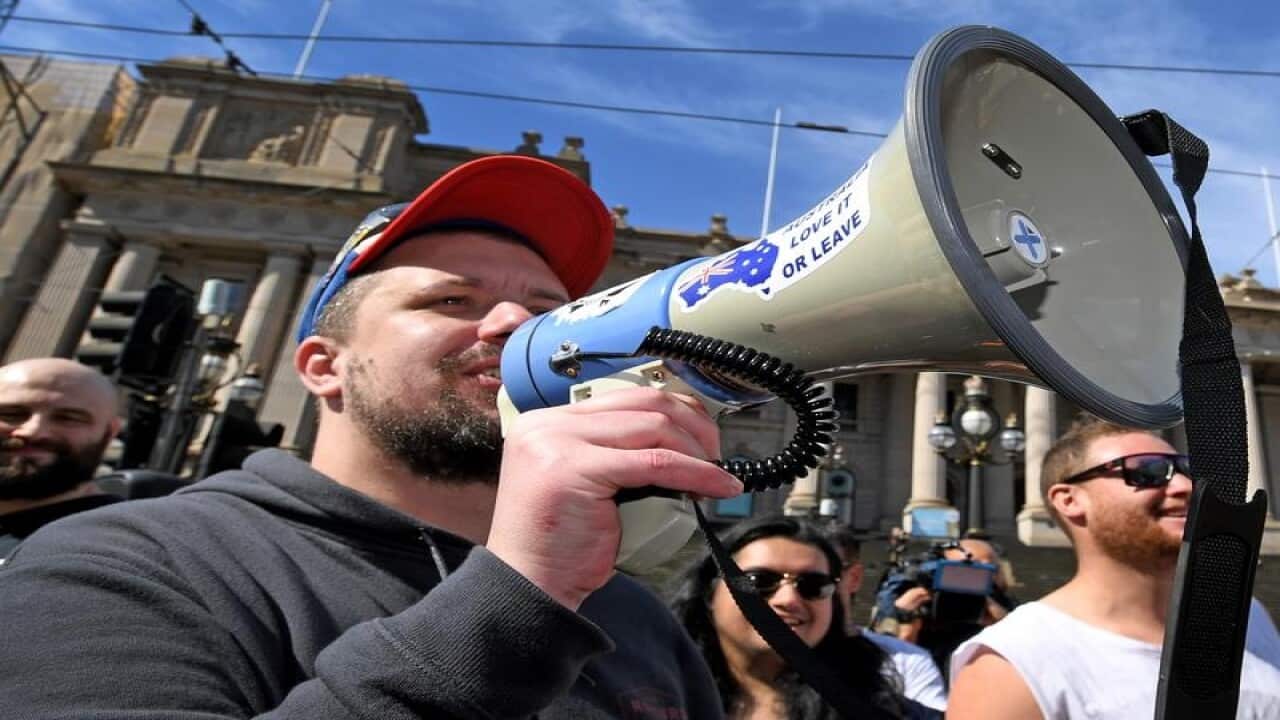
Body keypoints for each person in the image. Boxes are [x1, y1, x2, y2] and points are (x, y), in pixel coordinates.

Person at [0, 155, 744, 718]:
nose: (516, 328)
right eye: (452, 298)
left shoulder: (629, 610)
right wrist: (521, 592)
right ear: (325, 368)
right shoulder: (121, 566)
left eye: (548, 312)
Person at [948, 416, 1280, 719]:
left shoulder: (1249, 617)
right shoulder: (1010, 664)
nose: (1185, 487)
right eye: (1147, 472)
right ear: (1070, 500)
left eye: (1187, 470)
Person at [669, 514, 939, 719]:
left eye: (813, 585)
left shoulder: (885, 712)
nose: (788, 599)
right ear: (709, 593)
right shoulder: (646, 693)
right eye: (758, 580)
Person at [0, 357, 122, 559]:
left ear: (109, 433)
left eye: (68, 418)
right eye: (12, 414)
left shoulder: (115, 547)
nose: (33, 431)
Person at [825, 524, 948, 712]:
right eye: (767, 578)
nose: (789, 596)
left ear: (855, 578)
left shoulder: (909, 662)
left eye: (821, 577)